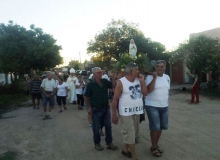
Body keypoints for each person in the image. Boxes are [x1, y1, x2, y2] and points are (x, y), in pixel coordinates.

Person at [112, 62, 148, 160]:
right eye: (136, 69)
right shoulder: (121, 82)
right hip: (125, 113)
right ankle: (134, 157)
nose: (138, 71)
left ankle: (125, 150)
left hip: (136, 112)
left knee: (132, 134)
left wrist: (142, 81)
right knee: (131, 135)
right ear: (131, 70)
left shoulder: (139, 80)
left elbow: (145, 93)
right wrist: (114, 114)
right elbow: (115, 99)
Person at [84, 67, 118, 151]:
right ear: (94, 74)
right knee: (96, 127)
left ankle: (109, 143)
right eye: (99, 72)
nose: (101, 73)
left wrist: (113, 77)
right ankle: (97, 144)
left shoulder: (105, 82)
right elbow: (86, 96)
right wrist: (89, 107)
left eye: (101, 72)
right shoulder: (91, 84)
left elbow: (113, 85)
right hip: (96, 109)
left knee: (108, 126)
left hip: (106, 108)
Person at [145, 60, 170, 157]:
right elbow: (149, 90)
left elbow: (166, 91)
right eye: (158, 66)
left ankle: (156, 144)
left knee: (161, 127)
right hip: (152, 105)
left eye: (162, 66)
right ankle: (153, 147)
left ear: (165, 68)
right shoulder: (149, 77)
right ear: (155, 68)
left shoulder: (167, 77)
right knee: (155, 128)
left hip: (164, 106)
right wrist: (154, 78)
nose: (160, 68)